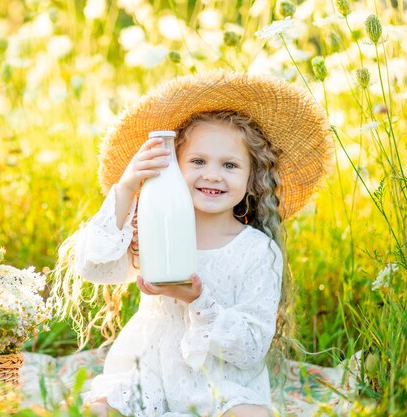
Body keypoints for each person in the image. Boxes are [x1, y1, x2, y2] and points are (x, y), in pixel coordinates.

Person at [52, 70, 332, 417]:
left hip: (219, 383)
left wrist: (198, 301)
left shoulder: (256, 251)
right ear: (173, 167)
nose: (212, 175)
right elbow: (94, 267)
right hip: (149, 374)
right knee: (93, 409)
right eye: (198, 161)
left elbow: (252, 347)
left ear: (252, 178)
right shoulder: (154, 228)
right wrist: (126, 187)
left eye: (229, 165)